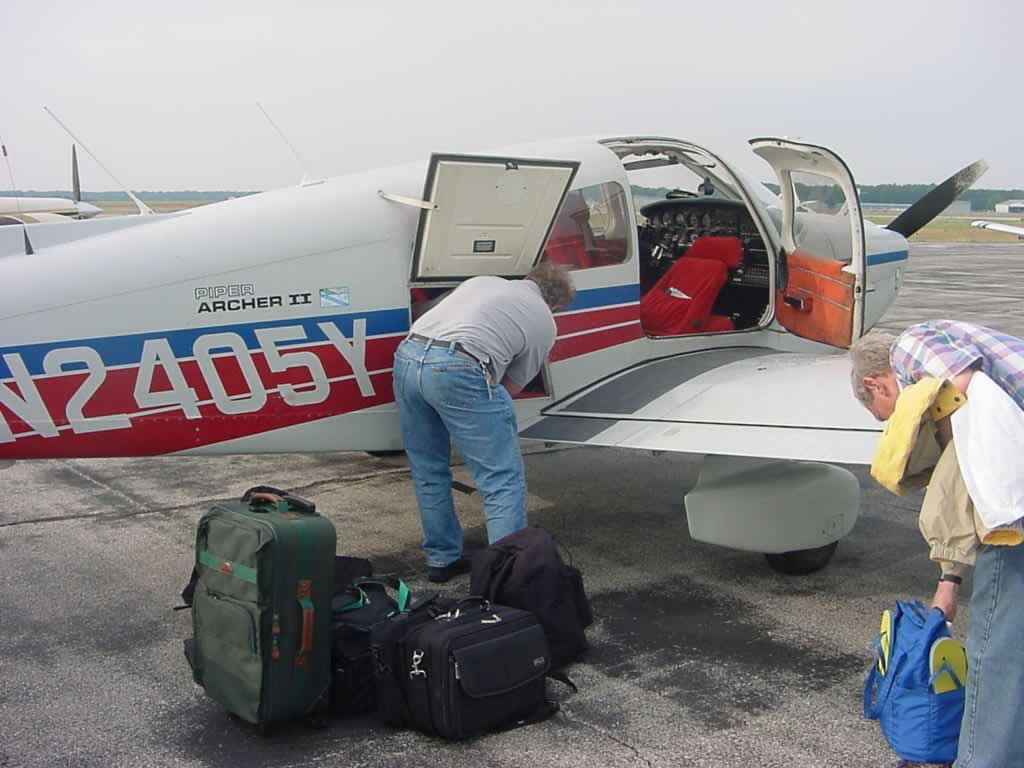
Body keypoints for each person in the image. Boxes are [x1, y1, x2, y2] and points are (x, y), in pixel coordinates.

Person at [849, 320, 1024, 768]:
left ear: (876, 385)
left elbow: (963, 387)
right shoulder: (965, 349)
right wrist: (949, 580)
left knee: (996, 648)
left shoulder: (912, 345)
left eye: (886, 416)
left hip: (1016, 504)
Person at [392, 262, 575, 583]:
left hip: (408, 356)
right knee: (501, 480)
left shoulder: (483, 281)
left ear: (528, 279)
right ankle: (505, 578)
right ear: (555, 305)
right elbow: (510, 388)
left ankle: (442, 559)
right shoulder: (544, 320)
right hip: (458, 365)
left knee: (428, 470)